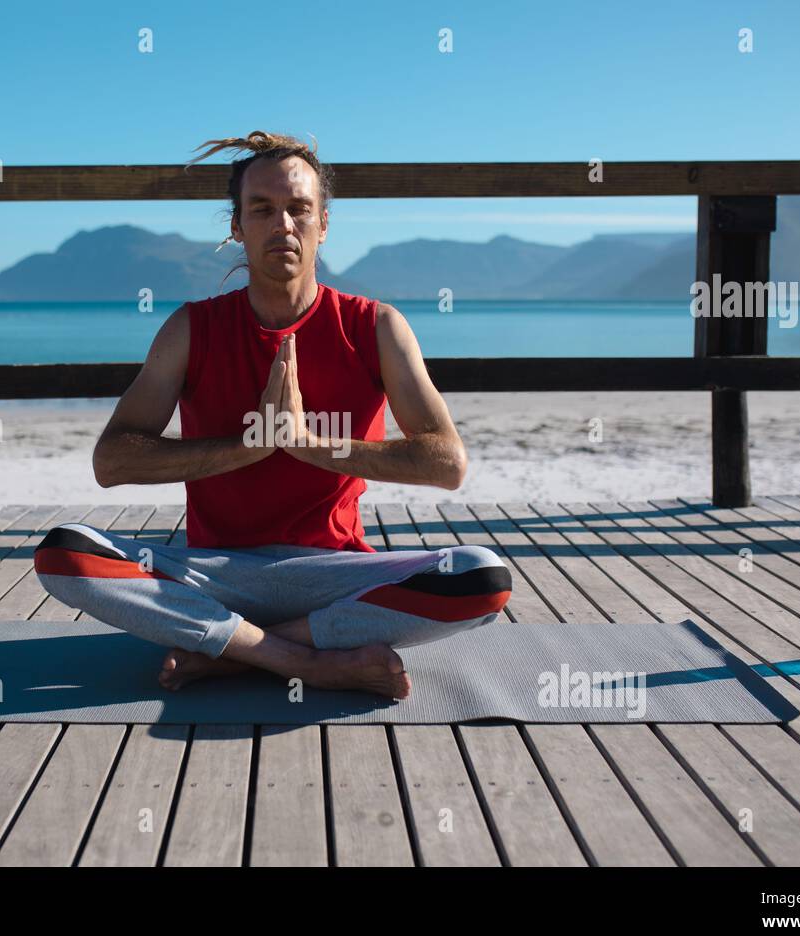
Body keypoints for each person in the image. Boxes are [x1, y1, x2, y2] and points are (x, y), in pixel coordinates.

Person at [34, 131, 512, 699]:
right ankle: (303, 659)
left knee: (481, 575)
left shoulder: (375, 326)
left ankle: (236, 654)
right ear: (237, 227)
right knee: (64, 551)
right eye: (262, 210)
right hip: (214, 574)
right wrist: (251, 445)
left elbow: (446, 463)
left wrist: (309, 444)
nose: (282, 225)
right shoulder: (192, 329)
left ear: (323, 224)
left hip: (333, 579)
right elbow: (111, 461)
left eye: (298, 210)